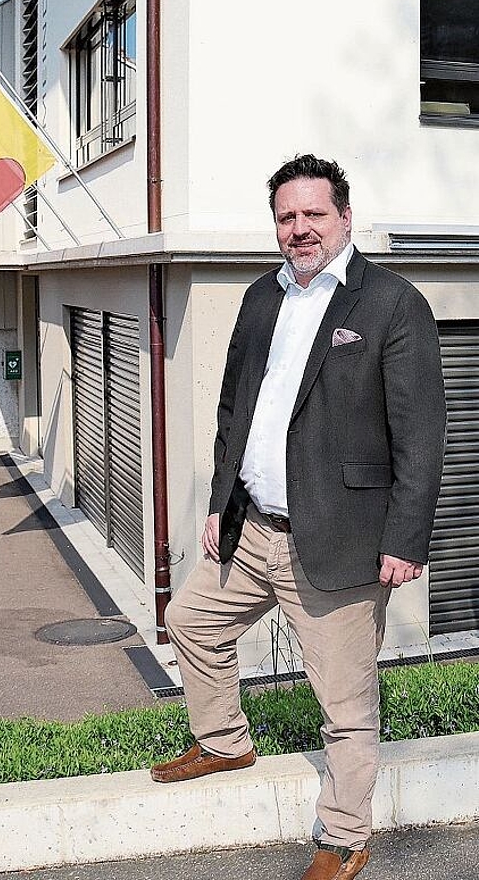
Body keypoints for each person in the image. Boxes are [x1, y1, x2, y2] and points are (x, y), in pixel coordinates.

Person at [151, 155, 446, 880]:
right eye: (287, 217)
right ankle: (223, 738)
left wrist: (406, 539)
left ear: (344, 217)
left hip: (341, 539)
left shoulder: (391, 304)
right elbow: (234, 410)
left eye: (314, 214)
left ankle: (344, 837)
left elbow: (422, 433)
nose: (299, 228)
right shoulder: (260, 298)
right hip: (256, 531)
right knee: (191, 619)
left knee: (344, 702)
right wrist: (222, 500)